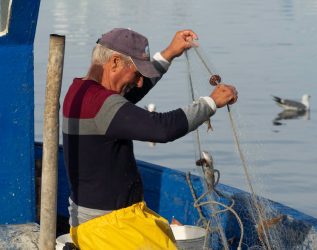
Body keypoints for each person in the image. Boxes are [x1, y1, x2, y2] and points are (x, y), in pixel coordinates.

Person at [62, 28, 238, 250]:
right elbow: (160, 129)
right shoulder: (101, 105)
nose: (138, 83)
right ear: (114, 62)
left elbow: (132, 93)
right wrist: (210, 103)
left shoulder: (81, 90)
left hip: (105, 221)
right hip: (109, 228)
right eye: (136, 73)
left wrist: (170, 53)